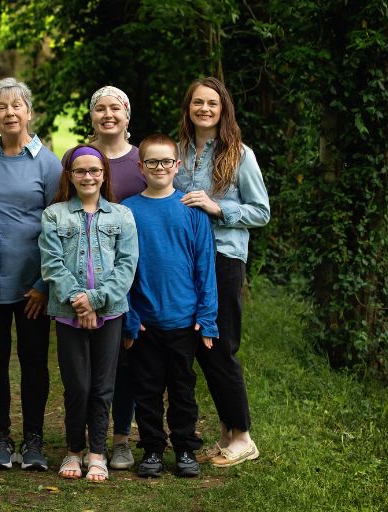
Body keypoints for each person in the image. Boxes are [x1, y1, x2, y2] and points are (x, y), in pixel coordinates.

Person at [175, 77, 270, 467]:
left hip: (223, 258)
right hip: (186, 260)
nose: (205, 109)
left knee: (222, 344)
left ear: (223, 109)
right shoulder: (177, 152)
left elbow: (261, 211)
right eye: (198, 102)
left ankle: (244, 435)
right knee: (200, 346)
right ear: (189, 107)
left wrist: (219, 208)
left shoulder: (239, 154)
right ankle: (227, 433)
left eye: (212, 103)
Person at [0, 77, 62, 471]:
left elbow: (60, 228)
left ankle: (34, 439)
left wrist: (44, 284)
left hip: (33, 287)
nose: (9, 113)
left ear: (29, 111)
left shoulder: (47, 162)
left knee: (33, 362)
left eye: (16, 105)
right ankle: (0, 438)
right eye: (1, 107)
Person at [121, 133, 218, 478]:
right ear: (140, 166)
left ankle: (184, 450)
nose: (159, 167)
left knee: (182, 391)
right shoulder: (128, 211)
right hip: (144, 321)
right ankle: (151, 450)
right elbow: (123, 271)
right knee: (146, 392)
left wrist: (207, 318)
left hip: (183, 321)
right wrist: (130, 317)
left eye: (166, 161)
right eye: (152, 162)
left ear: (177, 166)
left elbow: (205, 266)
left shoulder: (190, 211)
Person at [39, 145, 138, 481]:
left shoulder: (121, 216)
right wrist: (78, 300)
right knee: (77, 385)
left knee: (102, 385)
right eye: (80, 171)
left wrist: (95, 301)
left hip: (110, 313)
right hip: (68, 314)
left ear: (104, 174)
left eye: (95, 170)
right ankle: (73, 450)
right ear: (70, 175)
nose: (88, 176)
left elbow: (127, 265)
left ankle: (97, 452)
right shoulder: (55, 215)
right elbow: (52, 264)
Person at [84, 86, 146, 470]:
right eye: (100, 109)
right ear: (92, 116)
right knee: (91, 361)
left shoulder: (143, 160)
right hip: (88, 277)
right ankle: (89, 436)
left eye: (115, 108)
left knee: (127, 357)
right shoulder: (81, 157)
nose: (108, 114)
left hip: (133, 272)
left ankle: (121, 438)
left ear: (126, 114)